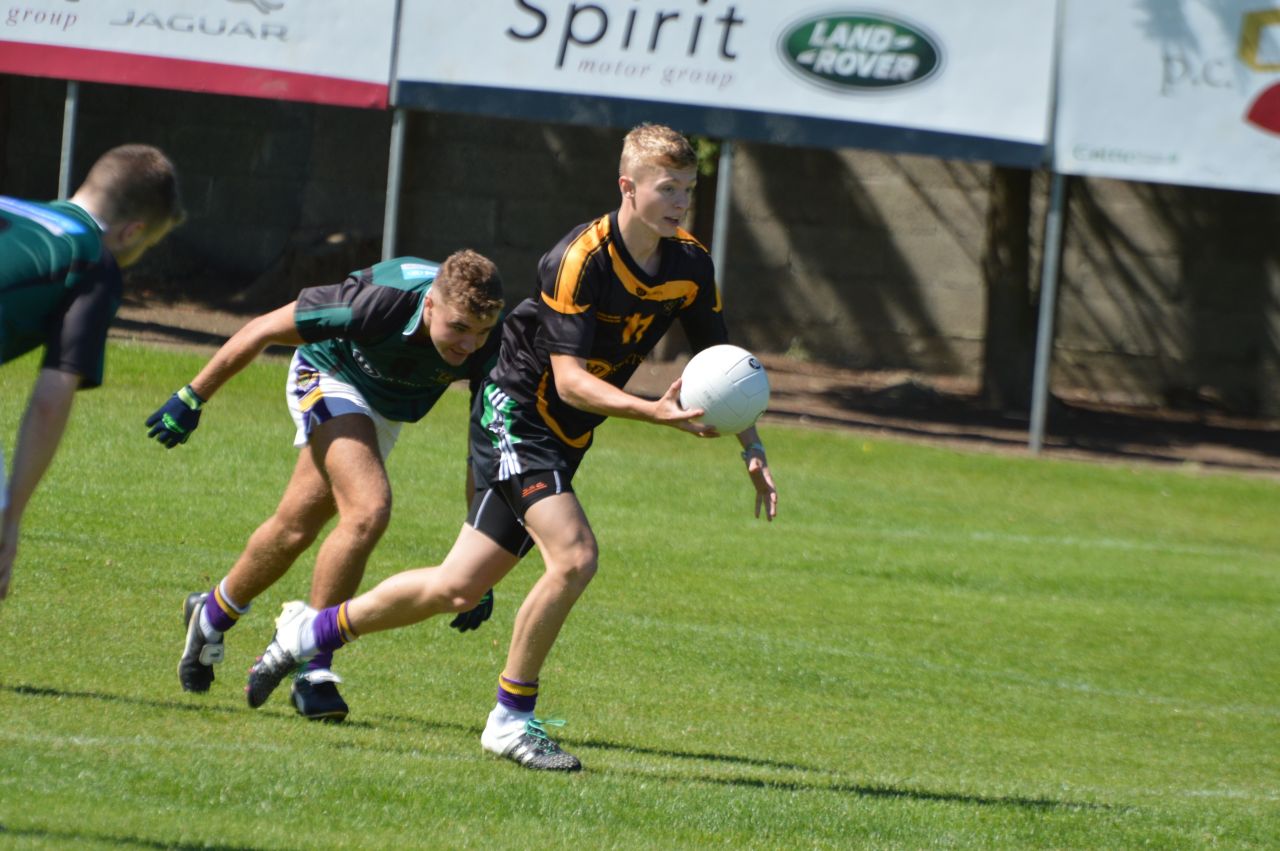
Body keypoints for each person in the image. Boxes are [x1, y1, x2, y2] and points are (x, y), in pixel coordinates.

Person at [242, 123, 778, 769]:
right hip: (518, 408)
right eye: (668, 188)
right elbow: (571, 381)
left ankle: (309, 630)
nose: (680, 201)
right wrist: (654, 412)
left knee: (457, 586)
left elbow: (720, 363)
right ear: (627, 186)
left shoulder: (690, 263)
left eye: (688, 189)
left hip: (564, 431)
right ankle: (510, 717)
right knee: (575, 556)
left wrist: (751, 443)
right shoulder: (580, 259)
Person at [154, 250, 504, 722]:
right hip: (327, 374)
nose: (469, 345)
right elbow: (262, 329)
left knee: (294, 528)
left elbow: (479, 452)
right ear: (430, 307)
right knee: (368, 510)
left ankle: (211, 614)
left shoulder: (493, 347)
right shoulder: (374, 303)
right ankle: (313, 669)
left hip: (380, 407)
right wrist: (192, 396)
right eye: (459, 328)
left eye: (480, 332)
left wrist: (475, 562)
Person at [0, 144, 183, 601]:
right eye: (148, 245)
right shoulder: (91, 261)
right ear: (132, 232)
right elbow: (50, 400)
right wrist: (12, 516)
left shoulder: (13, 209)